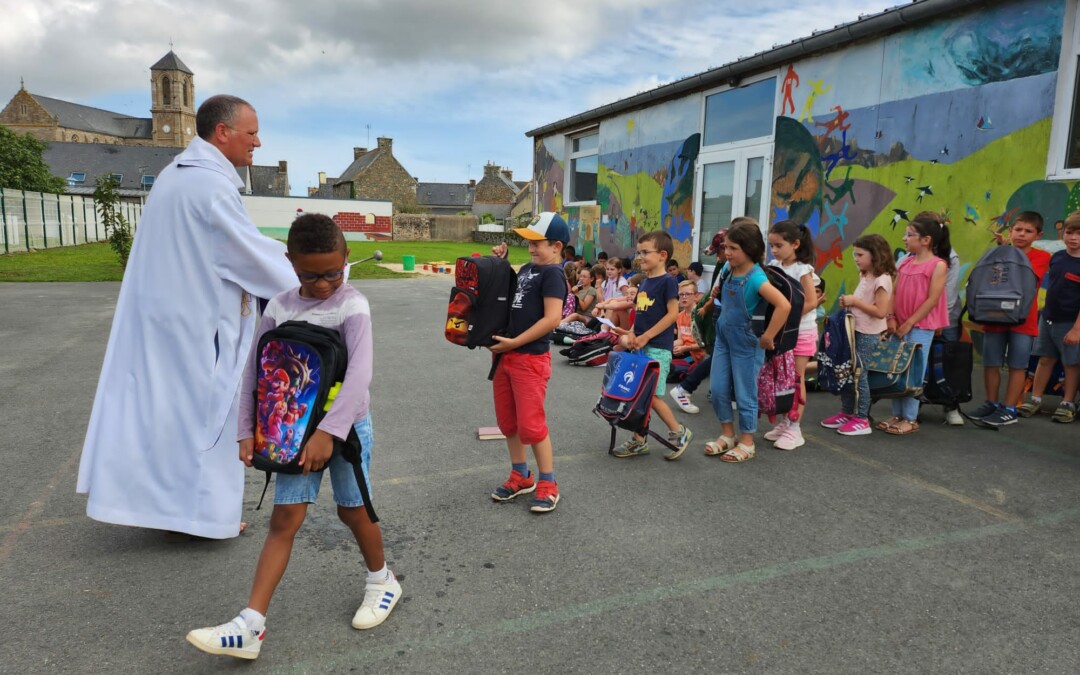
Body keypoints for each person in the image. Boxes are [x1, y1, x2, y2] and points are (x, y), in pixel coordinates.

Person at [76, 95, 296, 539]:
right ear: (223, 133)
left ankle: (168, 511)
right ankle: (202, 517)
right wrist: (313, 275)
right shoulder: (210, 188)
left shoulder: (177, 177)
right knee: (206, 417)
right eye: (251, 132)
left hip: (166, 322)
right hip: (197, 329)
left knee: (165, 417)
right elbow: (248, 256)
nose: (258, 142)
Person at [186, 214, 398, 660]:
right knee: (284, 521)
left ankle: (382, 581)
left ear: (345, 259)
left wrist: (329, 433)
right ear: (290, 263)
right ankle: (251, 625)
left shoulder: (352, 305)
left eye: (332, 273)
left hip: (346, 430)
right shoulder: (279, 306)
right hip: (291, 430)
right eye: (309, 275)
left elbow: (360, 375)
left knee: (353, 511)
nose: (323, 285)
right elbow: (255, 372)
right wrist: (248, 429)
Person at [488, 212, 569, 513]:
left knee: (532, 427)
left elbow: (552, 318)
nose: (532, 248)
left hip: (530, 359)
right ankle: (521, 475)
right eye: (529, 243)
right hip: (506, 356)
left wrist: (516, 343)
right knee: (509, 423)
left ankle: (548, 482)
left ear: (557, 246)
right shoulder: (526, 269)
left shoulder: (553, 275)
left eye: (538, 243)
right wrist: (501, 262)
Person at [705, 220, 791, 462]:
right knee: (719, 389)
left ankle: (747, 441)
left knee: (745, 393)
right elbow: (720, 290)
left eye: (733, 248)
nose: (727, 253)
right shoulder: (728, 269)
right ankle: (727, 434)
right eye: (726, 247)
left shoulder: (756, 278)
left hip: (745, 343)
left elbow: (784, 305)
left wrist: (768, 336)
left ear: (750, 249)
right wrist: (714, 292)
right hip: (723, 337)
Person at [610, 231, 694, 460]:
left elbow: (672, 314)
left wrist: (646, 336)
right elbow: (641, 316)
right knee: (638, 395)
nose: (640, 257)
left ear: (662, 255)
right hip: (642, 346)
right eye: (639, 252)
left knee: (652, 396)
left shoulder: (667, 281)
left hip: (658, 348)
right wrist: (632, 335)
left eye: (645, 252)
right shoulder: (645, 282)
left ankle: (679, 432)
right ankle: (639, 439)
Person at [968, 212, 1052, 426]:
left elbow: (1026, 279)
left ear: (1038, 235)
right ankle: (991, 403)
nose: (1021, 234)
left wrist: (1008, 253)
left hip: (1023, 320)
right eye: (1018, 229)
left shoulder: (1041, 257)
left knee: (1017, 365)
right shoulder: (998, 253)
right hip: (994, 316)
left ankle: (1009, 408)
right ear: (1010, 231)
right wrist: (1003, 251)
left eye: (1028, 231)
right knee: (991, 362)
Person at [878, 215, 951, 435]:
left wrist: (910, 322)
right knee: (896, 368)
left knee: (913, 371)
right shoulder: (906, 261)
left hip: (920, 325)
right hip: (899, 323)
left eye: (909, 235)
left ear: (926, 240)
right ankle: (897, 414)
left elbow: (932, 299)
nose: (905, 238)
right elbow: (895, 290)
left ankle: (910, 417)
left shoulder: (938, 265)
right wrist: (890, 316)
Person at [822, 234, 895, 435]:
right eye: (855, 254)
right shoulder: (866, 274)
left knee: (859, 375)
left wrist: (854, 302)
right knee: (847, 371)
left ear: (876, 255)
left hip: (867, 333)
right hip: (853, 330)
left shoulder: (882, 279)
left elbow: (881, 311)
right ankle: (847, 412)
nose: (856, 258)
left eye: (860, 254)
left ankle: (862, 418)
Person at [1018, 212, 1080, 422]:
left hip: (1071, 323)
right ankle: (1035, 398)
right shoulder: (1058, 257)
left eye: (1079, 234)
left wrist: (1077, 329)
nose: (1073, 238)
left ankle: (1068, 402)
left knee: (1071, 364)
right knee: (1045, 359)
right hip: (1048, 319)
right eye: (1070, 232)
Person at [763, 220, 819, 450]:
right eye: (771, 245)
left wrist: (790, 317)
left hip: (802, 331)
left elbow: (812, 301)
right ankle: (786, 421)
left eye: (779, 245)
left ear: (795, 244)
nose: (774, 250)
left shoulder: (802, 269)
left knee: (796, 379)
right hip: (782, 333)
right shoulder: (774, 265)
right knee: (782, 379)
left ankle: (795, 428)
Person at [669, 281, 706, 414]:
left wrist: (684, 348)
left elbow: (703, 344)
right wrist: (668, 346)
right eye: (681, 294)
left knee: (674, 364)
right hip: (685, 351)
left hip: (696, 354)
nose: (684, 297)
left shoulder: (700, 315)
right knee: (664, 352)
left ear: (696, 296)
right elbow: (680, 339)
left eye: (688, 294)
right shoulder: (679, 316)